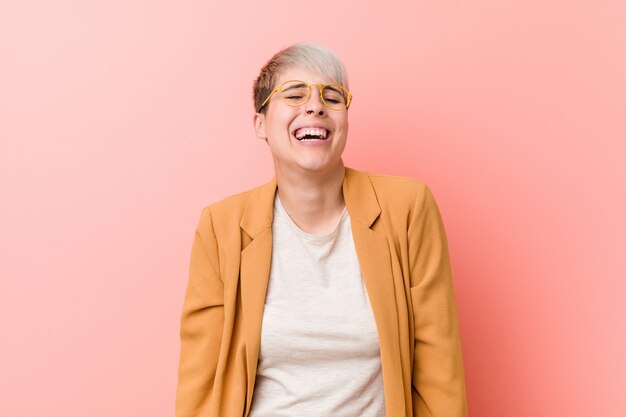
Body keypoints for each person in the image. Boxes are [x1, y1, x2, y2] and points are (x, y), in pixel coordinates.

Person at [175, 42, 468, 417]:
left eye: (332, 97)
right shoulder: (221, 226)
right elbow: (200, 380)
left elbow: (438, 366)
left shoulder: (407, 208)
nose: (315, 106)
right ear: (260, 124)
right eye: (294, 94)